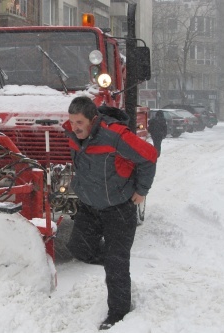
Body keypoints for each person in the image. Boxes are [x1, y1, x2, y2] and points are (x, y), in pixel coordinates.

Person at [64, 96, 157, 330]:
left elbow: (149, 156)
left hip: (119, 208)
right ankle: (115, 260)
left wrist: (141, 190)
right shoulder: (73, 135)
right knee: (79, 249)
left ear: (93, 119)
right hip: (90, 206)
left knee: (116, 264)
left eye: (79, 122)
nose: (75, 127)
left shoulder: (115, 135)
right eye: (72, 121)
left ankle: (118, 313)